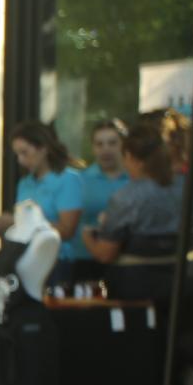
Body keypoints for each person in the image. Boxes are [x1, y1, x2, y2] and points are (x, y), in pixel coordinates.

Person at [82, 120, 193, 303]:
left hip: (138, 291)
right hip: (189, 284)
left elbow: (105, 254)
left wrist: (87, 235)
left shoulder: (127, 197)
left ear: (130, 157)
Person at [0, 122, 82, 289]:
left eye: (25, 153)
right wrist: (1, 226)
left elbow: (67, 230)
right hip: (23, 260)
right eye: (17, 154)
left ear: (43, 148)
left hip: (55, 262)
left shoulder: (68, 180)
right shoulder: (25, 183)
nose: (21, 160)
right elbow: (22, 228)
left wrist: (16, 222)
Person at [74, 117, 131, 273]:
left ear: (123, 145)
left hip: (127, 262)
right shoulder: (80, 180)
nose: (106, 149)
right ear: (93, 148)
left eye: (112, 143)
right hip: (84, 260)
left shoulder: (136, 180)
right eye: (99, 144)